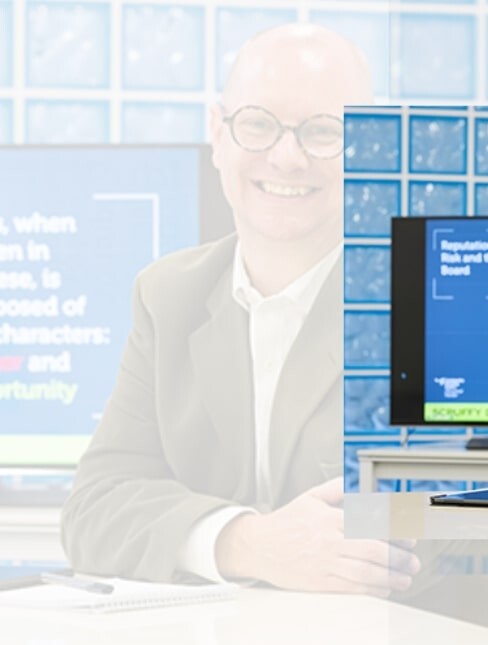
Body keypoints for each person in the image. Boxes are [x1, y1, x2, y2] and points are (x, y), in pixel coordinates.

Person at [60, 23, 420, 595]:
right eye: (258, 124)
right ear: (217, 133)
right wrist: (247, 542)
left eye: (325, 132)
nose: (287, 157)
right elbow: (95, 509)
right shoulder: (168, 296)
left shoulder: (423, 296)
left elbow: (453, 517)